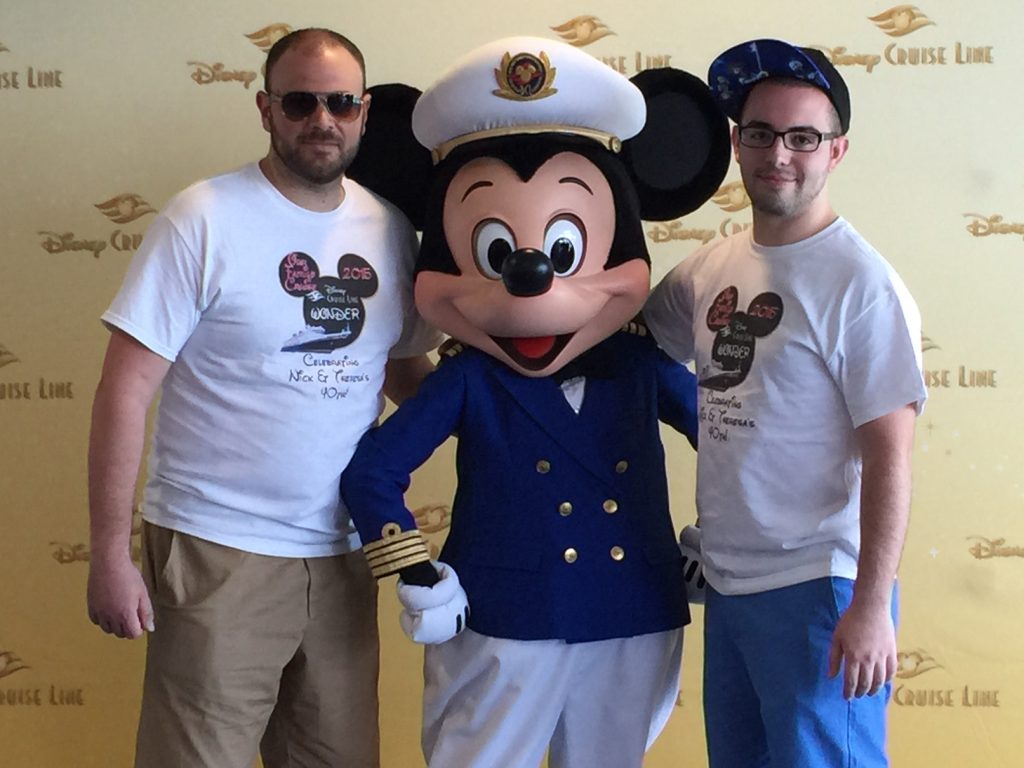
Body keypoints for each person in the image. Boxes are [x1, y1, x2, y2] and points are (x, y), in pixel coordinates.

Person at [338, 36, 730, 768]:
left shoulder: (639, 365)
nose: (529, 277)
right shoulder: (469, 379)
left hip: (632, 607)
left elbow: (732, 440)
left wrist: (723, 538)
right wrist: (418, 574)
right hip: (504, 616)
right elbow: (372, 473)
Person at [85, 27, 438, 768]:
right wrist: (110, 555)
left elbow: (403, 372)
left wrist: (508, 415)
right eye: (301, 102)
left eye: (341, 103)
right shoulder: (202, 218)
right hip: (217, 551)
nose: (322, 120)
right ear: (266, 109)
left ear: (365, 112)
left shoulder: (391, 232)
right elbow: (124, 391)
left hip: (343, 554)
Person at [644, 38, 928, 767]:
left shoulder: (861, 286)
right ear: (737, 143)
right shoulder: (711, 267)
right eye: (762, 133)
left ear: (836, 151)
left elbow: (890, 456)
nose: (779, 154)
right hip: (729, 583)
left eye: (803, 137)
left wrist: (871, 605)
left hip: (819, 588)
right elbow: (630, 344)